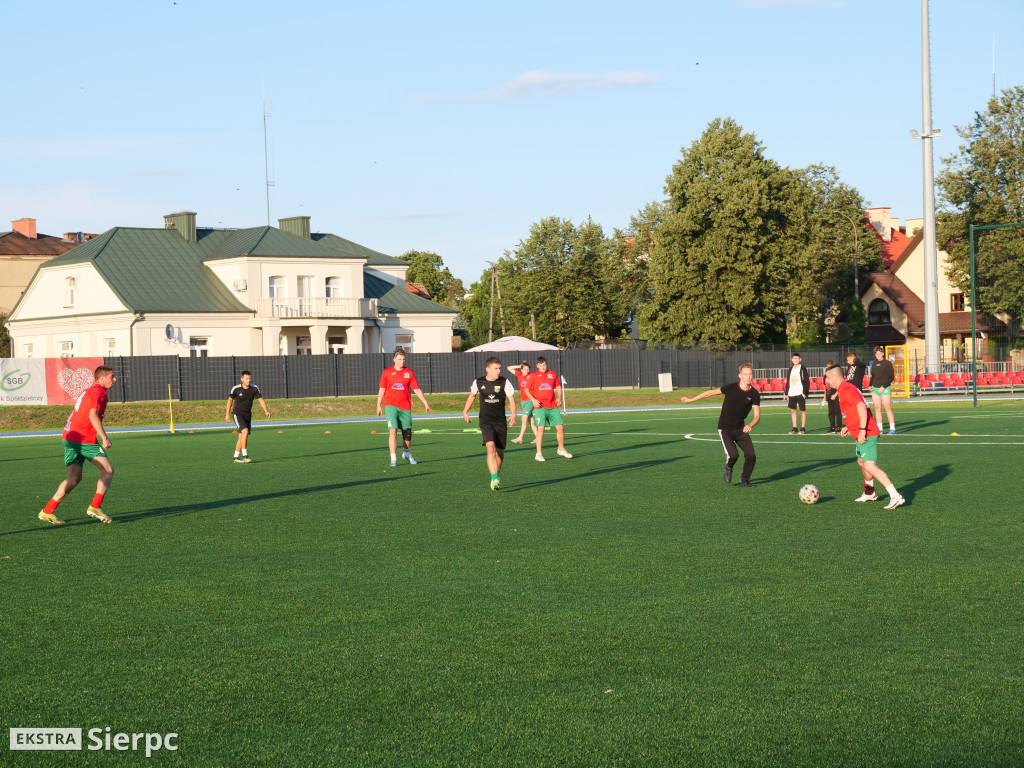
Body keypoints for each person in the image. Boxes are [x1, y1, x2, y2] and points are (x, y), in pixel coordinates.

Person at [38, 365, 118, 524]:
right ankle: (95, 506)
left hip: (69, 437)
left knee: (74, 478)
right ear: (101, 379)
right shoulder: (99, 392)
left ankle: (47, 511)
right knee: (108, 470)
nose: (114, 379)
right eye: (111, 377)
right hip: (83, 439)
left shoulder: (86, 391)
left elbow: (74, 412)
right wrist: (104, 437)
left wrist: (69, 427)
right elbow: (92, 414)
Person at [824, 364, 905, 509]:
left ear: (835, 377)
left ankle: (895, 496)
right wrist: (849, 427)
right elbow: (853, 410)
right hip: (860, 432)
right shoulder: (844, 389)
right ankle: (869, 492)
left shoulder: (846, 389)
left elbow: (861, 406)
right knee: (862, 462)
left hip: (867, 432)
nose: (827, 381)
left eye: (828, 378)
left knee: (869, 465)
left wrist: (862, 429)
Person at [680, 363, 760, 487]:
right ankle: (728, 467)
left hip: (741, 429)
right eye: (745, 374)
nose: (748, 376)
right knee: (733, 455)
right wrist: (691, 400)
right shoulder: (731, 388)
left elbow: (757, 416)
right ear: (740, 375)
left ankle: (744, 480)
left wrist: (750, 425)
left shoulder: (754, 394)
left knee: (751, 456)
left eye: (750, 373)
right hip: (725, 429)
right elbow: (710, 393)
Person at [463, 357, 518, 490]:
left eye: (499, 368)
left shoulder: (505, 382)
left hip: (500, 421)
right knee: (490, 447)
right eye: (495, 368)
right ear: (487, 369)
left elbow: (511, 399)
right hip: (485, 421)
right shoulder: (478, 382)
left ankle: (497, 474)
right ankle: (494, 478)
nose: (498, 371)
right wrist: (465, 411)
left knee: (499, 452)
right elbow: (471, 396)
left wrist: (514, 413)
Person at [376, 349, 432, 467]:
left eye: (403, 359)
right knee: (393, 430)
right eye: (400, 359)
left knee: (407, 433)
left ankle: (406, 454)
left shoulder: (409, 373)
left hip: (405, 406)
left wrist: (425, 403)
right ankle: (393, 459)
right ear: (394, 360)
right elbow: (382, 389)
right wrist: (378, 405)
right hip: (390, 404)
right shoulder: (387, 372)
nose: (402, 361)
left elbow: (416, 389)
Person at [522, 356, 572, 461]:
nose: (543, 367)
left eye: (544, 365)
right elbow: (526, 390)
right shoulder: (533, 376)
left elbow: (558, 386)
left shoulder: (552, 374)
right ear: (537, 365)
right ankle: (538, 454)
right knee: (541, 430)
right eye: (540, 365)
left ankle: (561, 449)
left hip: (553, 406)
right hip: (540, 407)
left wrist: (559, 398)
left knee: (560, 428)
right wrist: (533, 400)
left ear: (546, 364)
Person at [226, 370, 271, 463]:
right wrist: (227, 414)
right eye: (246, 378)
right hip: (237, 414)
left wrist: (266, 411)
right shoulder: (236, 389)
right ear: (242, 379)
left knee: (242, 435)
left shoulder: (254, 388)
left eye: (250, 378)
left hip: (247, 415)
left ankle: (235, 457)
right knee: (245, 431)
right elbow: (230, 400)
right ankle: (245, 456)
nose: (249, 380)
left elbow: (261, 400)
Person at [507, 361, 537, 445]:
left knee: (523, 419)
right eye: (525, 369)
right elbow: (508, 368)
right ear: (522, 369)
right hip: (523, 401)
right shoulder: (519, 374)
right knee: (530, 420)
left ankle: (520, 438)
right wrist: (519, 366)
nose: (526, 371)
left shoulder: (531, 376)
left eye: (528, 369)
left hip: (530, 400)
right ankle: (538, 437)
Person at [869, 346, 897, 435]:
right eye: (876, 354)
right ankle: (880, 429)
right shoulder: (874, 364)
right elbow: (872, 376)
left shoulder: (887, 363)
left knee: (887, 408)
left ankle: (892, 429)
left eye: (879, 353)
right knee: (877, 409)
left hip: (884, 388)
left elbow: (891, 377)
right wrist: (870, 385)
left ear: (883, 353)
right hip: (875, 389)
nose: (878, 355)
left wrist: (883, 387)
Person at [786, 351, 810, 434]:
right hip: (792, 393)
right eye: (794, 358)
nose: (795, 360)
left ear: (800, 359)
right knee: (793, 411)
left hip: (800, 393)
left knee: (802, 411)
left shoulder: (802, 368)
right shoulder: (790, 369)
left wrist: (805, 393)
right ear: (792, 359)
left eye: (797, 358)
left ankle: (802, 428)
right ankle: (795, 428)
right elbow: (788, 381)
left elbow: (806, 381)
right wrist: (787, 393)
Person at [821, 359, 842, 433]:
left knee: (837, 411)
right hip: (829, 395)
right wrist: (825, 396)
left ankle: (839, 427)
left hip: (836, 395)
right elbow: (825, 386)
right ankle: (832, 427)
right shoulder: (825, 375)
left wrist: (835, 394)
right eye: (828, 367)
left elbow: (840, 385)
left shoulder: (835, 375)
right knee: (831, 412)